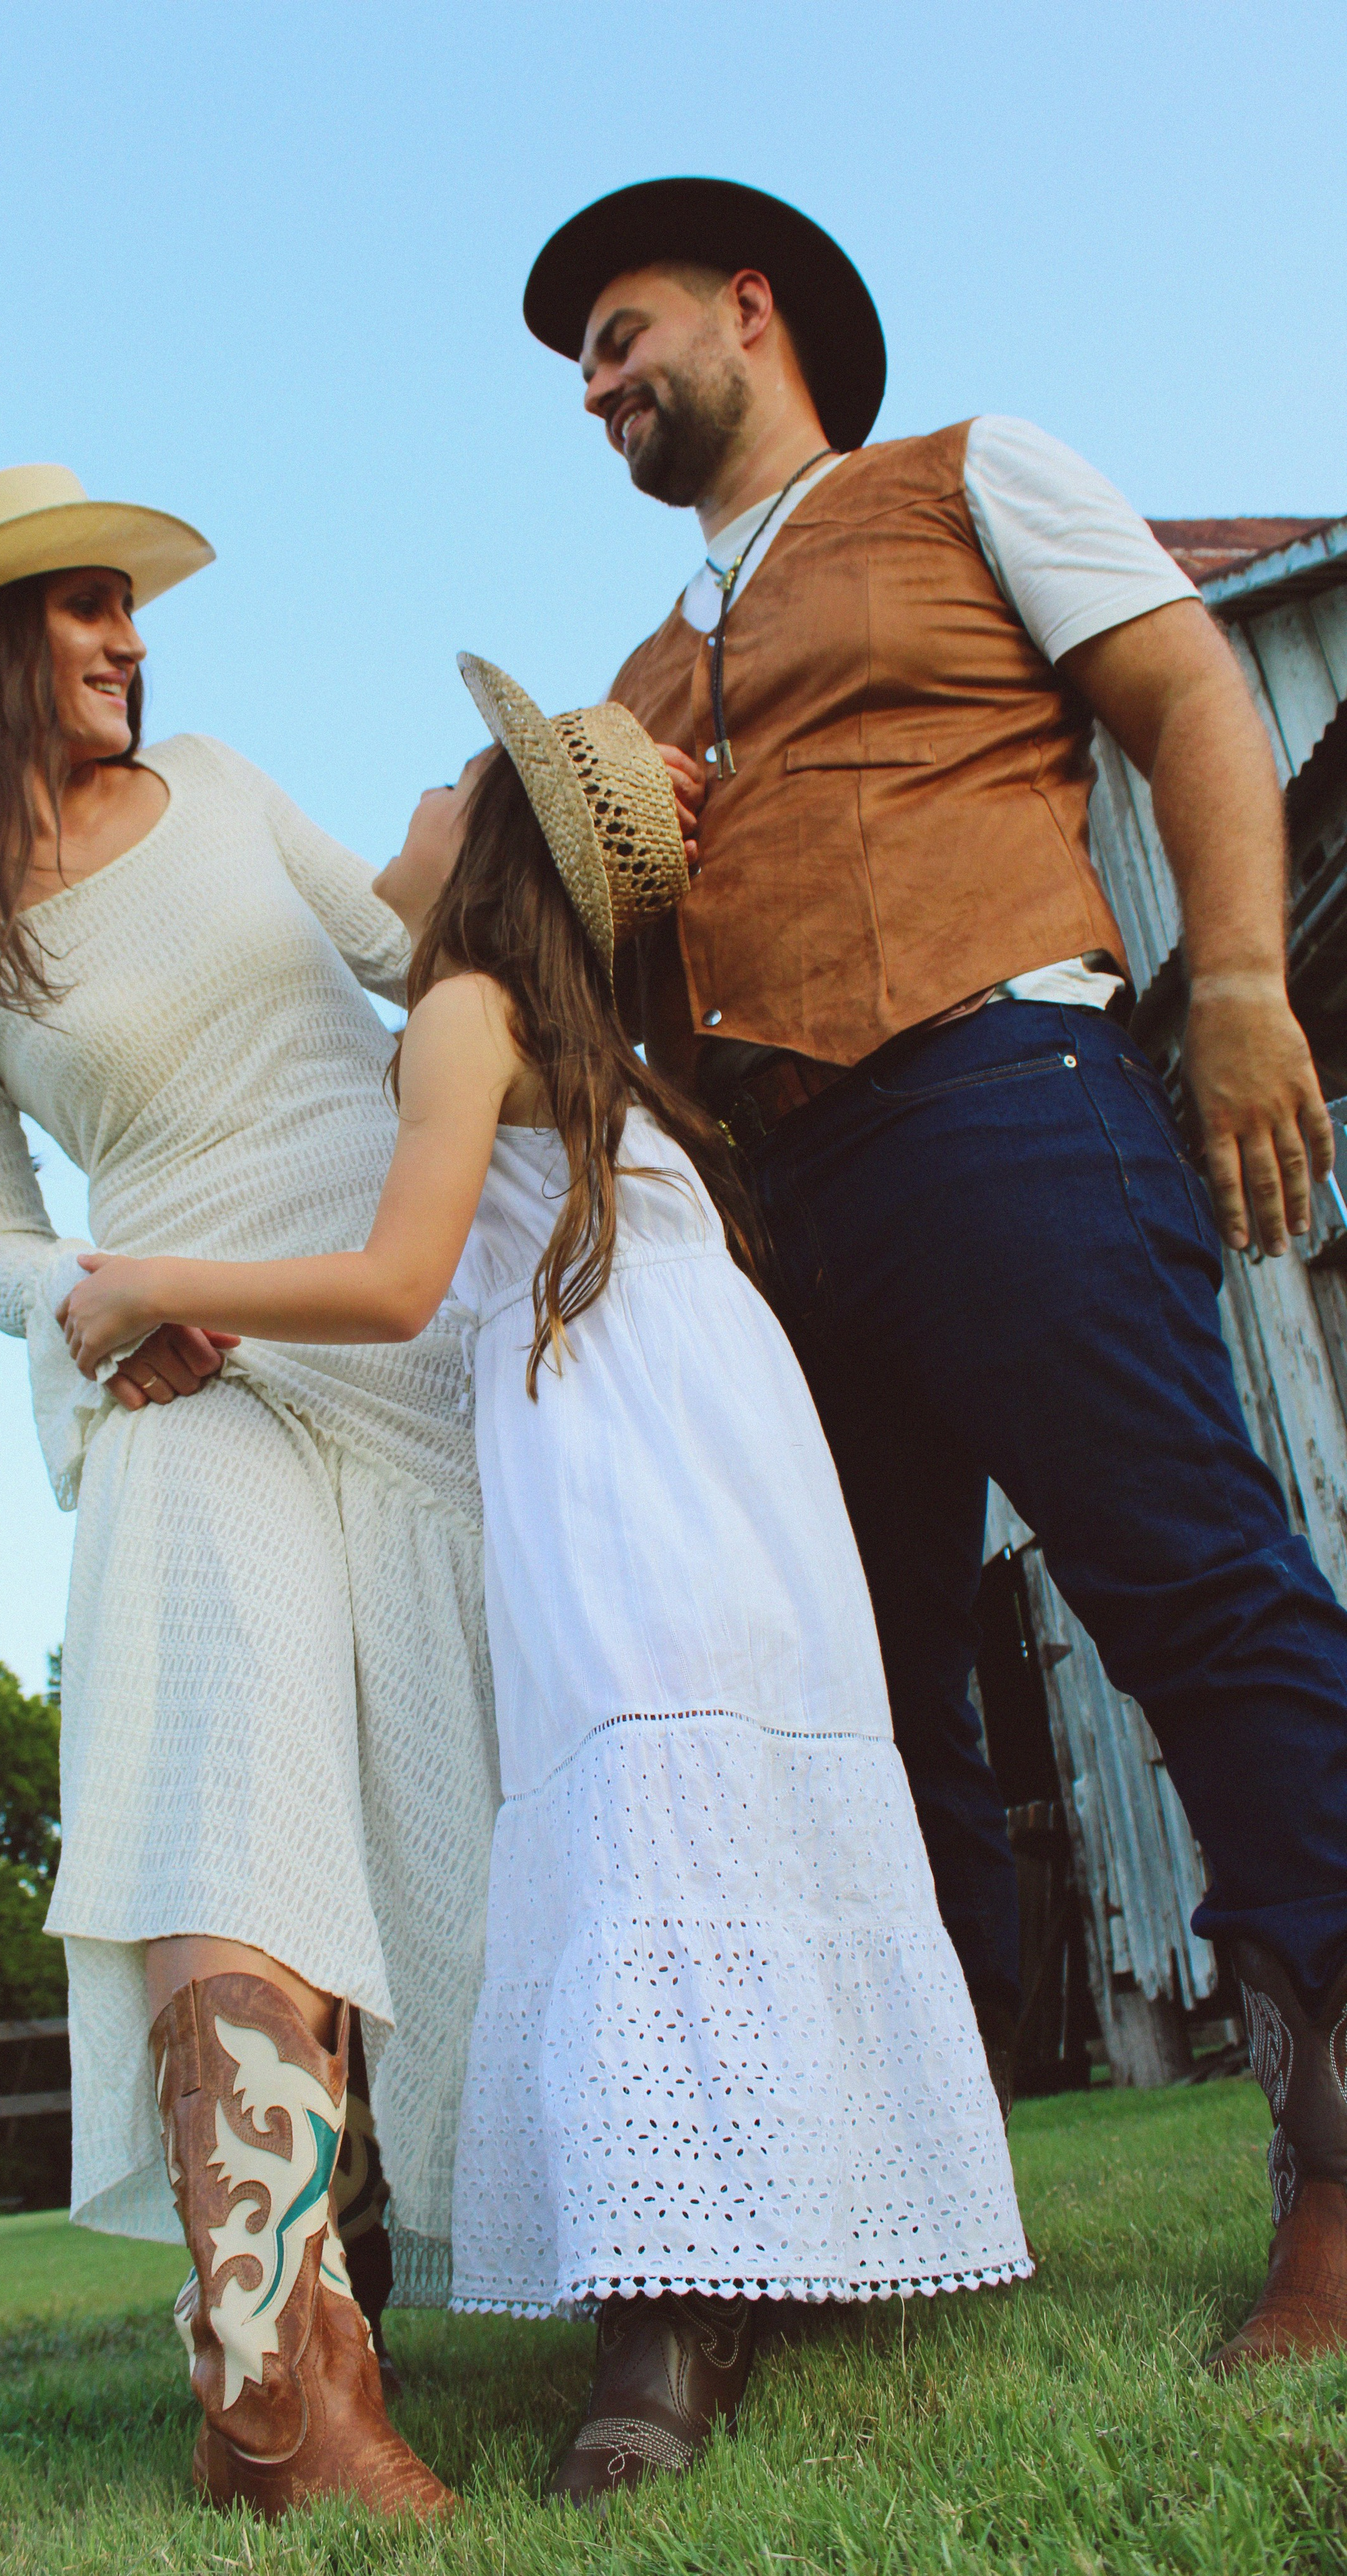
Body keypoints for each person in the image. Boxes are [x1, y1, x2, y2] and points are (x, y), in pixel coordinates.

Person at [517, 175, 1347, 2369]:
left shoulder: (974, 472)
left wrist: (1241, 976)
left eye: (619, 331)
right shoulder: (623, 684)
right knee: (865, 1691)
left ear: (752, 308)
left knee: (1188, 1584)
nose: (596, 384)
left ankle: (1344, 2168)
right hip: (768, 1206)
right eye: (581, 364)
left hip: (1001, 1091)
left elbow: (1190, 703)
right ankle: (901, 2188)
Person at [58, 656, 1032, 2505]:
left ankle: (668, 2319)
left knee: (636, 1829)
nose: (409, 816)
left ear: (491, 840)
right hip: (749, 1483)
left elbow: (403, 1283)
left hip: (617, 1474)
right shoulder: (615, 1061)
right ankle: (763, 2245)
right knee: (736, 1818)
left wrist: (154, 1282)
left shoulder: (461, 1012)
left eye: (444, 790)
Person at [0, 464, 499, 2520]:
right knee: (221, 1750)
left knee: (447, 1777)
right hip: (172, 1355)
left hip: (387, 1311)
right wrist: (98, 1304)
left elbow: (407, 960)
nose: (133, 640)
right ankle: (277, 2389)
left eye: (133, 607)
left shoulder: (216, 781)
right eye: (87, 609)